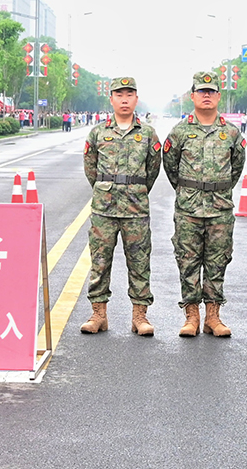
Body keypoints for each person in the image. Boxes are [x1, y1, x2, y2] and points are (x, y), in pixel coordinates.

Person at [162, 71, 247, 337]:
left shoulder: (231, 133)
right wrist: (189, 190)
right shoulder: (180, 132)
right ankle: (191, 316)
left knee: (217, 262)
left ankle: (213, 316)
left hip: (220, 208)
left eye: (211, 91)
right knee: (187, 261)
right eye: (202, 91)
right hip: (188, 208)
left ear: (219, 96)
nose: (207, 95)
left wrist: (217, 190)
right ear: (193, 96)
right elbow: (169, 166)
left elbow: (236, 168)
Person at [80, 77, 162, 337]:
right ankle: (98, 315)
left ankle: (140, 317)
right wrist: (107, 189)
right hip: (104, 209)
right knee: (100, 263)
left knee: (139, 263)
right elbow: (90, 168)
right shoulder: (98, 133)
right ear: (111, 99)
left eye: (129, 94)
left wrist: (135, 189)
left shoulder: (147, 133)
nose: (124, 99)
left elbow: (154, 169)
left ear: (136, 99)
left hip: (136, 210)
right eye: (119, 94)